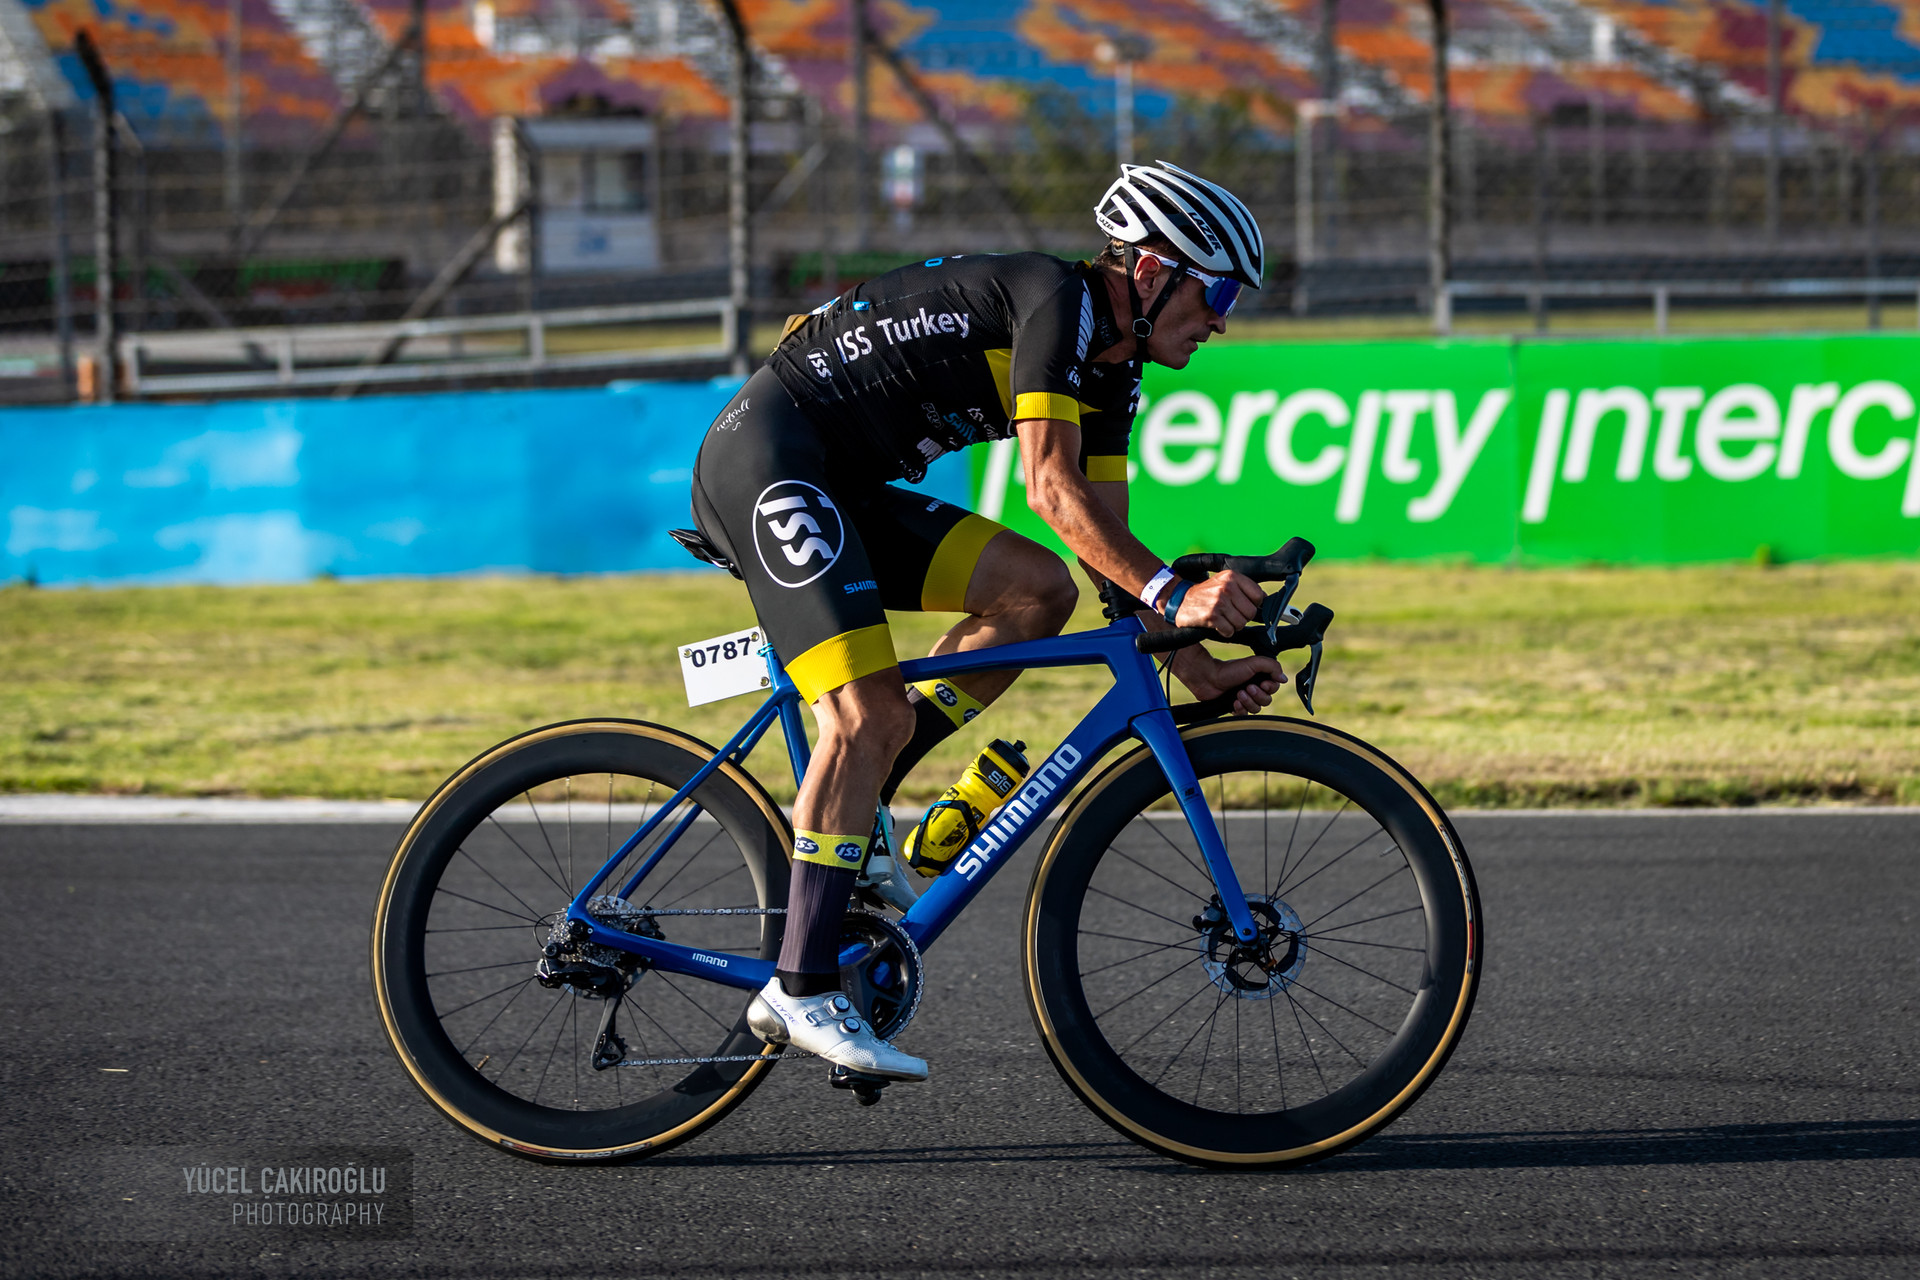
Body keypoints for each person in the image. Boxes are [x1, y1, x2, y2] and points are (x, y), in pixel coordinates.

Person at [688, 161, 1287, 1083]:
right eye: (1215, 293)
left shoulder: (1113, 370)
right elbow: (1049, 488)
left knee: (1038, 592)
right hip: (769, 462)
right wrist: (1177, 595)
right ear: (1149, 269)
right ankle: (799, 986)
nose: (1221, 320)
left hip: (843, 486)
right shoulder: (1056, 301)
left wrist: (1195, 664)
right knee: (866, 715)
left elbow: (1105, 543)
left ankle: (869, 797)